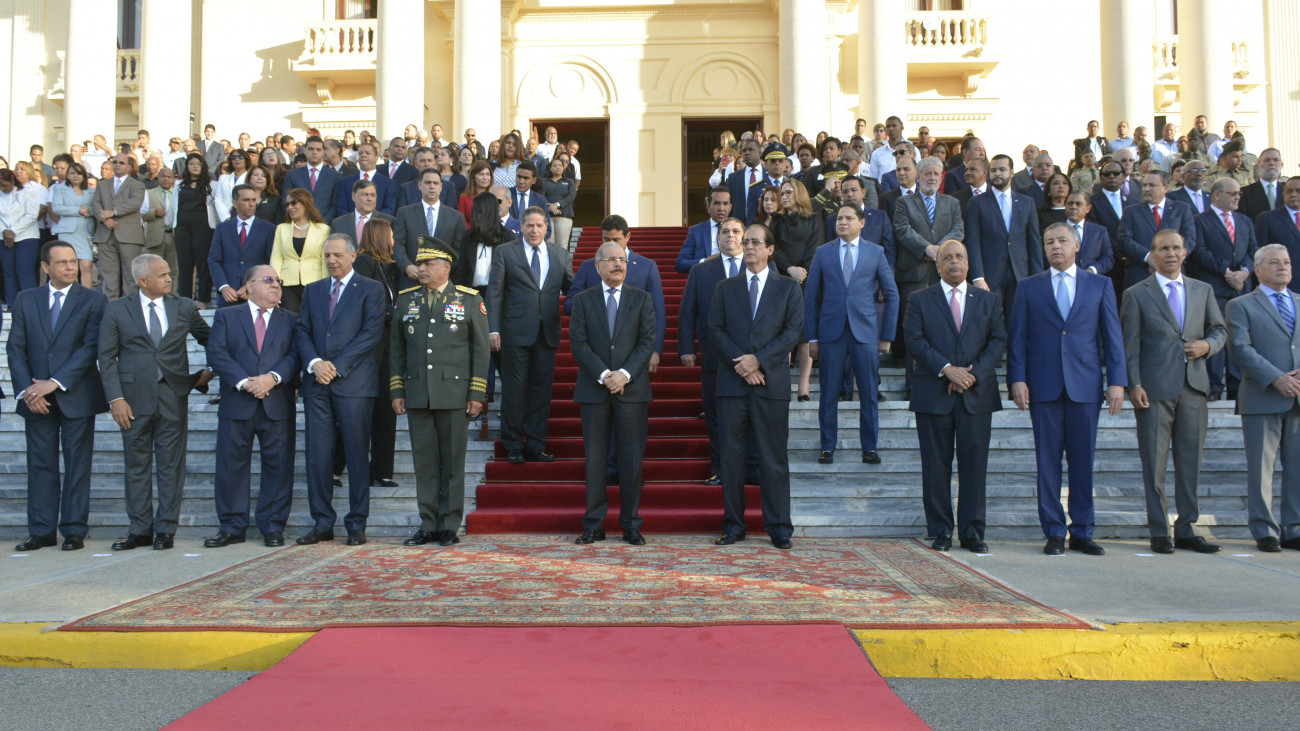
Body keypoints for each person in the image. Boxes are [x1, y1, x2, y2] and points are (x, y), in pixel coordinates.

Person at [1007, 222, 1126, 556]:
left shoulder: (1099, 285)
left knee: (1083, 461)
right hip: (1043, 385)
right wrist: (1017, 378)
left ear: (1076, 245)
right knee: (1047, 464)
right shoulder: (1028, 287)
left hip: (1085, 385)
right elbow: (1017, 339)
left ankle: (1083, 531)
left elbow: (1112, 337)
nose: (1055, 246)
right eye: (1049, 242)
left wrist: (1117, 381)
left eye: (1062, 240)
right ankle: (1054, 531)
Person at [1120, 230, 1226, 554]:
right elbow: (1129, 346)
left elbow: (1220, 330)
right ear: (1152, 255)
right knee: (1155, 465)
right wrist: (1134, 384)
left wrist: (1207, 345)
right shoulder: (1136, 294)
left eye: (1176, 248)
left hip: (1194, 386)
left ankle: (1187, 529)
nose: (1170, 253)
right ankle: (1159, 531)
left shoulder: (1202, 290)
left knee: (1190, 462)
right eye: (1163, 248)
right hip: (1153, 390)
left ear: (1185, 252)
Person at [99, 254, 213, 551]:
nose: (168, 278)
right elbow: (106, 357)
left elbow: (211, 339)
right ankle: (139, 530)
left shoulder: (183, 307)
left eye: (168, 273)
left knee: (170, 466)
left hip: (172, 396)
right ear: (142, 281)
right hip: (132, 400)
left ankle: (165, 529)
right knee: (136, 466)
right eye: (161, 275)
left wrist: (210, 370)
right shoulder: (117, 309)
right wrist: (116, 399)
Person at [904, 240, 1005, 553]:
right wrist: (947, 370)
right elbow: (914, 340)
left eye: (960, 256)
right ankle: (941, 531)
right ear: (938, 266)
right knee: (936, 466)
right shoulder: (920, 299)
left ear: (968, 263)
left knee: (974, 467)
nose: (954, 262)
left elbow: (998, 341)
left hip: (976, 395)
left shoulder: (988, 300)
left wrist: (970, 375)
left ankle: (972, 533)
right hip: (934, 394)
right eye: (947, 257)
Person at [8, 241, 108, 552]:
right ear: (45, 267)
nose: (69, 267)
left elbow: (90, 348)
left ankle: (74, 530)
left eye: (73, 261)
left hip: (76, 394)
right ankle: (41, 532)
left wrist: (53, 383)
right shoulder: (26, 299)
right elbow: (15, 348)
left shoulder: (94, 300)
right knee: (40, 465)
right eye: (62, 262)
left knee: (77, 464)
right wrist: (29, 391)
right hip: (35, 399)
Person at [709, 223, 804, 549]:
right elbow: (716, 330)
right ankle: (734, 526)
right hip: (732, 384)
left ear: (770, 249)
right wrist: (744, 365)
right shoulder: (725, 287)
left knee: (772, 458)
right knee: (731, 459)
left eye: (755, 242)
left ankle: (779, 528)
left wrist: (759, 361)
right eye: (746, 241)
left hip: (770, 384)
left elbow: (792, 332)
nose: (748, 246)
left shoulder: (788, 288)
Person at [389, 242, 487, 547]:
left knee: (452, 463)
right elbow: (397, 349)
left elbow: (481, 350)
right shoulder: (407, 300)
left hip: (454, 393)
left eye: (428, 264)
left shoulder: (469, 299)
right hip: (418, 392)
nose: (421, 269)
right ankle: (428, 524)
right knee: (425, 463)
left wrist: (477, 392)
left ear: (446, 267)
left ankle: (448, 524)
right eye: (420, 264)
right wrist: (397, 389)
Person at [293, 234, 387, 547]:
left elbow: (371, 333)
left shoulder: (371, 289)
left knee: (357, 455)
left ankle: (356, 524)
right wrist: (315, 363)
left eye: (337, 255)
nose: (331, 260)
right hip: (317, 384)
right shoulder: (314, 289)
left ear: (353, 255)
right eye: (327, 256)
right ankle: (322, 522)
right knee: (318, 457)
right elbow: (302, 330)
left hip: (354, 384)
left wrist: (336, 366)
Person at [203, 265, 299, 548]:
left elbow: (296, 355)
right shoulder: (226, 316)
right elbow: (217, 353)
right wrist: (245, 382)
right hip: (237, 403)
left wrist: (273, 378)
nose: (276, 285)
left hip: (277, 404)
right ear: (248, 286)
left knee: (279, 468)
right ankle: (232, 527)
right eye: (268, 280)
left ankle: (273, 526)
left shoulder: (292, 320)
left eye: (278, 280)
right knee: (230, 468)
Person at [569, 242, 657, 546]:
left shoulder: (642, 299)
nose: (618, 264)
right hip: (594, 389)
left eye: (622, 259)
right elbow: (579, 343)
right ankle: (594, 524)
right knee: (595, 460)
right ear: (597, 266)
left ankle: (631, 525)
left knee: (631, 460)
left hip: (632, 390)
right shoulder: (583, 300)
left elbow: (647, 342)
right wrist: (605, 375)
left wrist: (624, 375)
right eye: (611, 259)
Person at [806, 203, 899, 465]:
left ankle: (869, 447)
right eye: (839, 218)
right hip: (831, 333)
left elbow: (892, 295)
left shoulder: (875, 252)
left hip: (865, 332)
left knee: (868, 393)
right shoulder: (823, 252)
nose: (842, 222)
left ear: (862, 223)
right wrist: (812, 337)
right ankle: (827, 446)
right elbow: (811, 298)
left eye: (848, 218)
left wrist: (887, 335)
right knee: (828, 393)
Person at [1225, 244, 1300, 552]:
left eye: (1287, 262)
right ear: (1257, 270)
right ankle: (1264, 529)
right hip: (1262, 396)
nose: (1283, 267)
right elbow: (1240, 348)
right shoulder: (1241, 305)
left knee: (1297, 469)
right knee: (1261, 469)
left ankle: (1294, 528)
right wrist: (1276, 377)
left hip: (1298, 398)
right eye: (1275, 263)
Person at [488, 207, 574, 463]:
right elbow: (494, 293)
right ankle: (513, 445)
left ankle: (536, 445)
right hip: (514, 333)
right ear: (521, 227)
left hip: (547, 334)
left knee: (541, 393)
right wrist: (493, 328)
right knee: (513, 392)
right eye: (529, 225)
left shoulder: (560, 254)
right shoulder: (505, 252)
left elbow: (573, 288)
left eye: (539, 225)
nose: (534, 230)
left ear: (547, 227)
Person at [680, 218, 745, 484]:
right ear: (717, 238)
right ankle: (720, 468)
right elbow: (688, 312)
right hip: (713, 355)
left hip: (750, 356)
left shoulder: (760, 266)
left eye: (736, 231)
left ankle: (749, 468)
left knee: (748, 417)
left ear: (744, 236)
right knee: (716, 416)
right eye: (725, 231)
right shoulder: (700, 271)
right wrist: (687, 348)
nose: (730, 235)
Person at [339, 215, 400, 489]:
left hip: (384, 350)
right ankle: (335, 468)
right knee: (359, 413)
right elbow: (363, 303)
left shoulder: (383, 267)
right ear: (380, 237)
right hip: (369, 353)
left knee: (385, 409)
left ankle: (382, 471)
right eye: (391, 235)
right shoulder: (364, 262)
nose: (394, 240)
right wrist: (395, 312)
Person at [894, 157, 964, 382]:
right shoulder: (904, 202)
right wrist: (926, 248)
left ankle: (944, 377)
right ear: (918, 176)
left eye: (936, 174)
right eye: (927, 174)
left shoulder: (952, 203)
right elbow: (902, 230)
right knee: (914, 329)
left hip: (944, 276)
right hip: (914, 274)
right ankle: (913, 382)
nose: (932, 178)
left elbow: (958, 230)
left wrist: (940, 251)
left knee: (945, 327)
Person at [1190, 178, 1258, 400]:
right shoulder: (1199, 221)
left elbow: (1253, 250)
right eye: (1232, 193)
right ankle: (1214, 385)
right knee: (1216, 333)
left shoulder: (1245, 221)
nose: (1237, 197)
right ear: (1217, 195)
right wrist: (1227, 272)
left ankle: (1237, 386)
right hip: (1215, 287)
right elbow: (1200, 251)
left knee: (1239, 336)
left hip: (1241, 288)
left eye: (1239, 193)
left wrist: (1245, 272)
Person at [967, 153, 1045, 332]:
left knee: (1018, 325)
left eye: (1002, 169)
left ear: (1012, 172)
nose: (997, 174)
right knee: (988, 326)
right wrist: (978, 277)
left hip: (1020, 274)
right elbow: (973, 241)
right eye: (993, 170)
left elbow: (1034, 242)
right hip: (990, 275)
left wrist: (1037, 277)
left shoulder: (1026, 203)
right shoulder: (976, 203)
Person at [1118, 169, 1196, 291]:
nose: (1146, 189)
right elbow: (1123, 240)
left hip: (1173, 273)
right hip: (1140, 275)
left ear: (1166, 188)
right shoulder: (1131, 211)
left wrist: (1171, 258)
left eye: (1152, 185)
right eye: (1144, 185)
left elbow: (1189, 239)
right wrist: (1148, 257)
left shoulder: (1181, 209)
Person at [393, 168, 467, 290]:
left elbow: (460, 250)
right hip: (412, 281)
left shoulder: (456, 217)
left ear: (441, 187)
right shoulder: (405, 213)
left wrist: (442, 270)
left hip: (443, 283)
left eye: (435, 183)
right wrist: (407, 266)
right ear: (419, 185)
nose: (432, 186)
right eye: (427, 183)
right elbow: (397, 244)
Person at [207, 184, 277, 310]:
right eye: (246, 200)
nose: (251, 204)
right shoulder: (222, 229)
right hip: (228, 297)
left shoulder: (269, 230)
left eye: (254, 200)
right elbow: (214, 260)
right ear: (235, 203)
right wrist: (223, 287)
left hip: (257, 297)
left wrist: (252, 285)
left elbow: (270, 263)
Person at [92, 154, 148, 299]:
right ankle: (111, 308)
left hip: (129, 236)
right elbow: (95, 203)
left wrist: (114, 212)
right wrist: (104, 219)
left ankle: (129, 307)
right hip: (105, 234)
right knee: (109, 277)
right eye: (115, 162)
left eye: (121, 163)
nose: (117, 164)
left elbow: (135, 203)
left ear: (129, 167)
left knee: (130, 277)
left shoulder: (137, 185)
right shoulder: (102, 184)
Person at [270, 188, 331, 312]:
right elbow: (276, 259)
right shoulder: (281, 228)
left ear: (306, 203)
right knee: (289, 318)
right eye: (287, 204)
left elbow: (325, 260)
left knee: (312, 318)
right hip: (287, 284)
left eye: (294, 203)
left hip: (314, 283)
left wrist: (326, 286)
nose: (290, 207)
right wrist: (274, 285)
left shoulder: (323, 229)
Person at [173, 153, 218, 305]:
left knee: (203, 263)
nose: (195, 166)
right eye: (191, 163)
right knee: (184, 263)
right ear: (187, 166)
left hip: (203, 227)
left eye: (198, 163)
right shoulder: (178, 185)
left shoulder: (211, 185)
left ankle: (203, 300)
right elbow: (174, 207)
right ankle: (185, 299)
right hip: (182, 227)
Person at [49, 162, 97, 287]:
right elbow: (57, 208)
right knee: (70, 266)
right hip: (67, 232)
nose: (76, 176)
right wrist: (78, 210)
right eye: (72, 173)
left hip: (86, 232)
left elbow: (97, 208)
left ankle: (87, 294)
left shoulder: (92, 191)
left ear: (84, 175)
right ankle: (72, 294)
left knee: (86, 265)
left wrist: (89, 211)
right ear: (68, 175)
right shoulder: (60, 188)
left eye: (79, 173)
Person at [0, 166, 43, 300]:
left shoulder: (28, 191)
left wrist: (14, 231)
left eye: (4, 185)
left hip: (26, 236)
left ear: (12, 180)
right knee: (8, 271)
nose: (1, 188)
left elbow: (32, 214)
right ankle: (12, 303)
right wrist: (4, 230)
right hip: (3, 236)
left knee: (25, 270)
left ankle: (29, 303)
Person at [281, 135, 340, 222]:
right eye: (311, 149)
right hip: (298, 224)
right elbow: (286, 202)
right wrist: (300, 222)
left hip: (324, 225)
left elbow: (335, 205)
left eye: (318, 149)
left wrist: (322, 224)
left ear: (323, 152)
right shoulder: (292, 175)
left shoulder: (334, 176)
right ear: (305, 150)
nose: (314, 152)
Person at [676, 187, 732, 273]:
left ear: (730, 207)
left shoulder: (741, 231)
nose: (721, 208)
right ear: (708, 206)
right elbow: (680, 264)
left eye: (725, 203)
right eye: (716, 203)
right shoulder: (696, 231)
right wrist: (705, 261)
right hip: (707, 276)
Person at [336, 140, 396, 217]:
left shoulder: (388, 183)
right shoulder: (346, 182)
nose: (363, 155)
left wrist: (369, 221)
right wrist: (355, 221)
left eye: (367, 153)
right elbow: (341, 208)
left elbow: (389, 208)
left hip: (377, 223)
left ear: (376, 157)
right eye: (360, 153)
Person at [1061, 191, 1114, 276]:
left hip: (1092, 279)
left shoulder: (1099, 231)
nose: (1073, 207)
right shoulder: (1054, 230)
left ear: (1088, 208)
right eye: (1070, 203)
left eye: (1078, 204)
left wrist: (1091, 270)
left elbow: (1108, 258)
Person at [541, 154, 577, 247]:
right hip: (547, 216)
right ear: (550, 168)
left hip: (564, 215)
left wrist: (557, 204)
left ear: (563, 168)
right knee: (549, 245)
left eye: (560, 165)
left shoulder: (569, 182)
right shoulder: (544, 182)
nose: (557, 167)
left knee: (562, 245)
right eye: (554, 165)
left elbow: (571, 196)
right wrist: (550, 207)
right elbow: (541, 196)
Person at [211, 148, 251, 224]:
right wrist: (226, 217)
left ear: (246, 160)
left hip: (245, 218)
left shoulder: (251, 178)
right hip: (226, 219)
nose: (237, 159)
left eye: (240, 157)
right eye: (233, 157)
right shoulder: (223, 178)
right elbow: (218, 199)